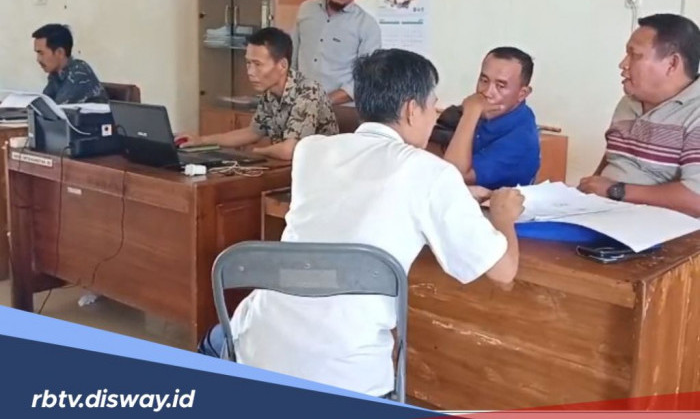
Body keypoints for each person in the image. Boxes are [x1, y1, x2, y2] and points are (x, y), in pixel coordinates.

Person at [199, 48, 524, 397]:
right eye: (433, 105)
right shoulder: (431, 173)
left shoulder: (312, 151)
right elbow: (503, 272)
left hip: (258, 350)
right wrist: (503, 217)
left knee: (213, 343)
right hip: (349, 377)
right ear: (411, 109)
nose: (434, 116)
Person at [578, 13, 700, 217]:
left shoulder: (695, 113)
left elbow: (696, 199)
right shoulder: (629, 102)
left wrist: (615, 190)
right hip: (604, 213)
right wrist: (587, 192)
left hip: (657, 228)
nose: (623, 64)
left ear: (672, 64)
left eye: (634, 55)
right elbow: (615, 158)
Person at [177, 27, 338, 161]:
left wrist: (254, 152)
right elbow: (253, 132)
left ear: (282, 65)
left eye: (257, 64)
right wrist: (201, 140)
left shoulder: (308, 91)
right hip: (289, 169)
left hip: (318, 174)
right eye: (248, 63)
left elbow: (288, 151)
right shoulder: (269, 92)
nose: (250, 72)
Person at [291, 0, 381, 105]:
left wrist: (322, 102)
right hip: (300, 107)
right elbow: (292, 61)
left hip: (342, 112)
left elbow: (365, 80)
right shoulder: (306, 10)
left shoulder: (367, 26)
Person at [443, 47, 540, 189]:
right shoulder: (492, 113)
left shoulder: (521, 139)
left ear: (522, 93)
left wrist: (471, 112)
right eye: (484, 80)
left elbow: (451, 175)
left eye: (500, 86)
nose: (487, 92)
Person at [32, 24, 108, 104]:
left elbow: (59, 107)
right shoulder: (56, 75)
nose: (38, 59)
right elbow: (44, 104)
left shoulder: (79, 72)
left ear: (60, 52)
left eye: (41, 53)